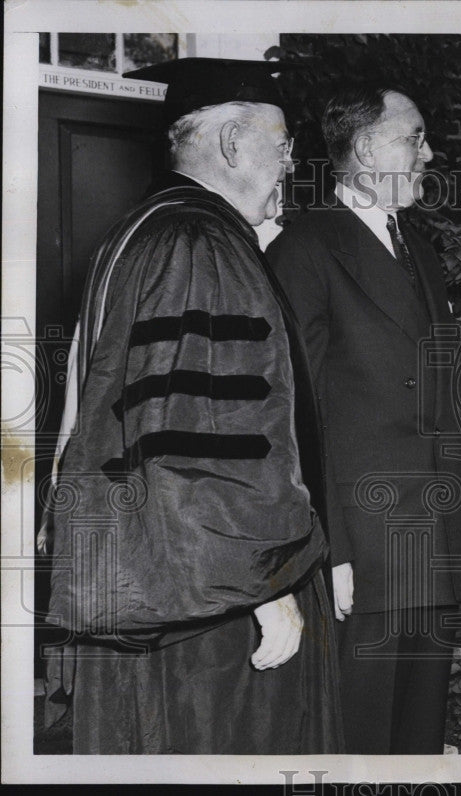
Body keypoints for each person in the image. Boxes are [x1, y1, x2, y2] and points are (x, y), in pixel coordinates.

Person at [42, 57, 344, 754]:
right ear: (235, 143)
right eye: (284, 143)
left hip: (156, 583)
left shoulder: (137, 233)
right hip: (209, 614)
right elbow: (202, 442)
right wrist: (267, 590)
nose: (291, 163)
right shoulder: (197, 244)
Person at [266, 86, 461, 754]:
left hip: (433, 545)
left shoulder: (420, 249)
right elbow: (293, 416)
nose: (429, 152)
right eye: (413, 138)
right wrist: (330, 548)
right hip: (363, 554)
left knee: (417, 744)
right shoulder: (305, 249)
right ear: (365, 148)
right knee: (358, 744)